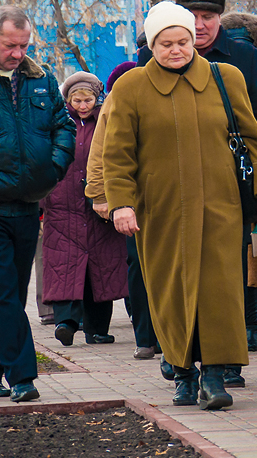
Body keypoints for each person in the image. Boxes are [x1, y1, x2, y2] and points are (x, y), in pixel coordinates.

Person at [103, 2, 257, 411]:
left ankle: (215, 375)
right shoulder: (132, 86)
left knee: (219, 291)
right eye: (166, 43)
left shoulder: (225, 78)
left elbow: (253, 138)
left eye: (183, 41)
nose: (176, 50)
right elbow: (117, 153)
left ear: (193, 41)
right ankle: (182, 372)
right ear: (152, 46)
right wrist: (121, 204)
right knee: (170, 291)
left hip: (220, 208)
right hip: (159, 211)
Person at [139, 0, 257, 382]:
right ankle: (178, 354)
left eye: (208, 16)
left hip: (223, 188)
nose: (199, 26)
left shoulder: (239, 59)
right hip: (168, 193)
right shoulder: (144, 67)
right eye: (191, 17)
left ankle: (226, 360)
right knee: (172, 278)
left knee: (227, 278)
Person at [0, 6, 75, 403]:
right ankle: (22, 375)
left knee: (10, 293)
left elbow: (63, 125)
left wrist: (53, 168)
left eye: (24, 45)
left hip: (27, 204)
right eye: (11, 45)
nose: (18, 53)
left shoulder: (41, 79)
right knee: (1, 293)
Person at [41, 72, 127, 347]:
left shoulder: (107, 120)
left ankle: (97, 329)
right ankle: (65, 323)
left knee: (100, 269)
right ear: (68, 100)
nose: (82, 106)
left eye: (87, 100)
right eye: (76, 100)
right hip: (62, 206)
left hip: (98, 207)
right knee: (63, 265)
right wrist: (41, 201)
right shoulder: (57, 122)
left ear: (97, 98)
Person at [86, 61, 158, 361]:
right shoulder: (126, 90)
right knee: (139, 264)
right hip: (136, 195)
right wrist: (99, 193)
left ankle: (172, 337)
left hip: (177, 193)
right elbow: (103, 146)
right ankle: (146, 337)